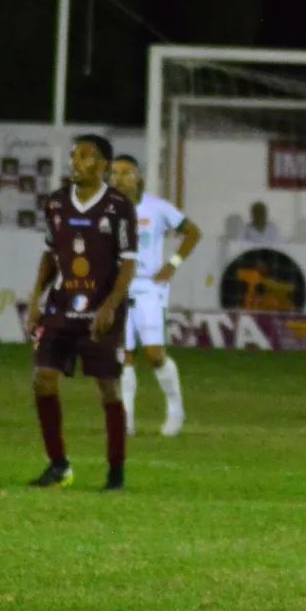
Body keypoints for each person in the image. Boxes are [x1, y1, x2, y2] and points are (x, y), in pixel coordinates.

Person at [25, 134, 137, 491]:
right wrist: (34, 300)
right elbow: (49, 255)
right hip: (61, 307)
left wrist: (110, 306)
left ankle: (116, 472)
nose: (76, 162)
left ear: (103, 165)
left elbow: (128, 264)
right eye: (75, 156)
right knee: (42, 378)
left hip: (100, 311)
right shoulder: (56, 204)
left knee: (108, 388)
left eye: (86, 157)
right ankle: (59, 466)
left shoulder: (119, 207)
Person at [109, 154, 201, 436]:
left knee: (154, 354)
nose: (119, 178)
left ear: (137, 177)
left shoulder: (157, 208)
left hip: (150, 288)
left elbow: (193, 233)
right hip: (119, 288)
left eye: (126, 172)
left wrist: (171, 265)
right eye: (114, 173)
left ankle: (176, 411)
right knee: (123, 354)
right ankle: (125, 421)